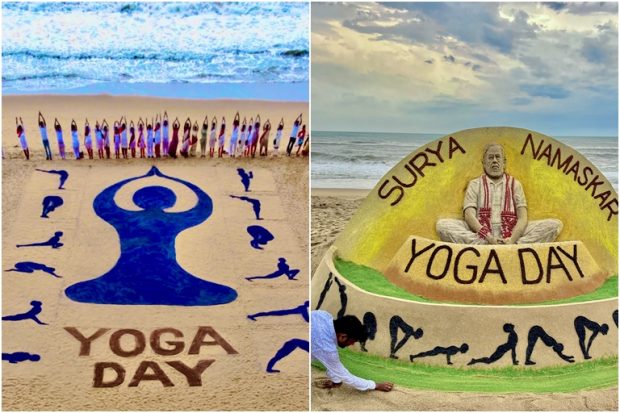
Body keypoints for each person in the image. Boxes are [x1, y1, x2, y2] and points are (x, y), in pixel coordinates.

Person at [436, 143, 563, 244]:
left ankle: (513, 245)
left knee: (554, 225)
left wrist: (512, 239)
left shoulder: (515, 184)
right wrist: (489, 237)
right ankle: (488, 245)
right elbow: (469, 216)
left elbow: (523, 218)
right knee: (443, 226)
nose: (495, 161)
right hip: (481, 234)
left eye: (498, 157)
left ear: (504, 162)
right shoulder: (475, 184)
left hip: (512, 232)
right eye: (490, 158)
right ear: (484, 163)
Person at [311, 310, 394, 392]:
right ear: (343, 337)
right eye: (353, 341)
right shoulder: (327, 348)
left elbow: (329, 361)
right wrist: (375, 385)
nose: (352, 344)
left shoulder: (322, 314)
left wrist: (336, 381)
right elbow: (346, 376)